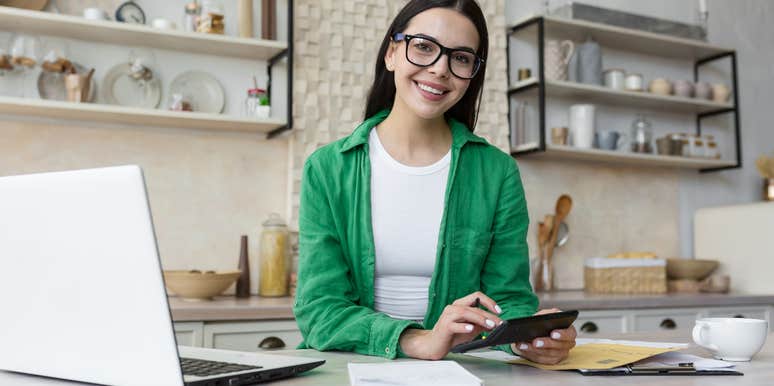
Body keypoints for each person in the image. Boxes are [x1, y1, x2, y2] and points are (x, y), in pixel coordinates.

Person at [293, 0, 576, 363]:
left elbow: (508, 300)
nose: (440, 69)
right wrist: (418, 340)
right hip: (355, 365)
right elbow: (319, 310)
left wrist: (528, 337)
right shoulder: (328, 169)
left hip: (460, 369)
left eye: (460, 58)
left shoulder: (497, 172)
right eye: (424, 47)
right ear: (392, 53)